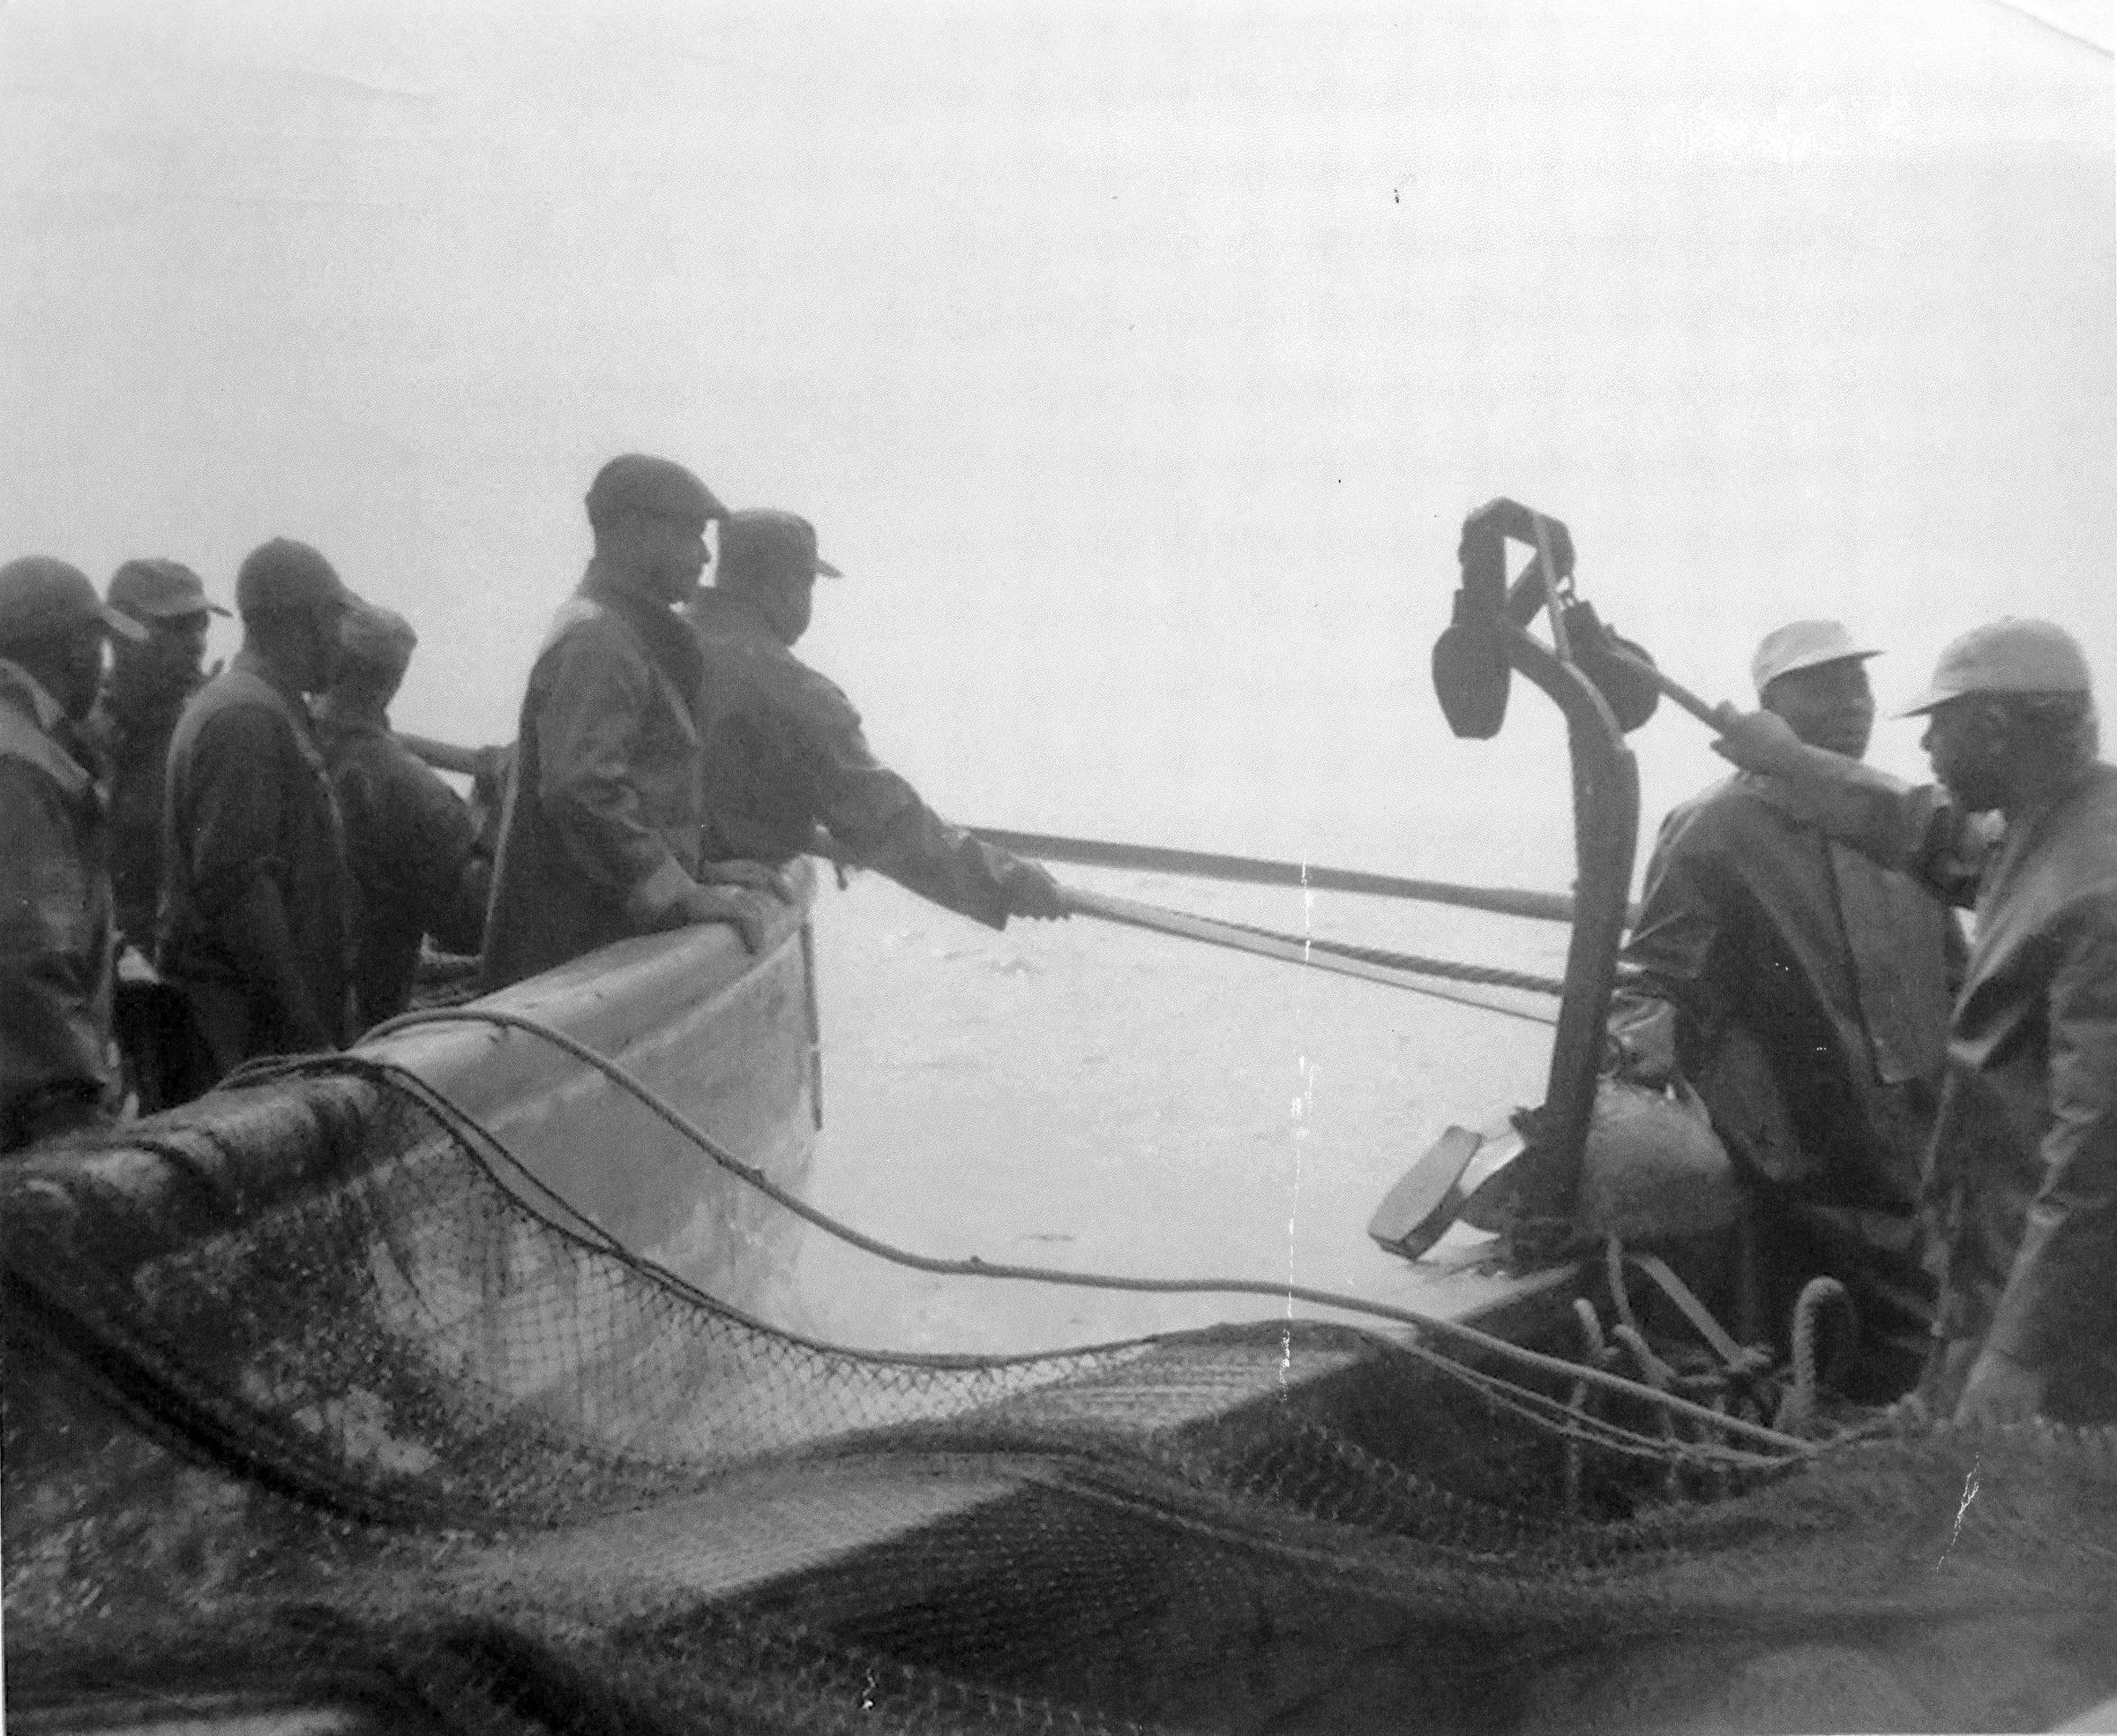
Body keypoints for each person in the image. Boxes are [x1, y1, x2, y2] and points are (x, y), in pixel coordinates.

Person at [1711, 617, 2117, 1426]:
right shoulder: (2046, 826)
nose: (1924, 744)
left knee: (2004, 1495)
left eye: (1940, 724)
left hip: (2063, 1314)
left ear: (1994, 728)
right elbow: (1918, 827)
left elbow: (2098, 1155)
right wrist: (1788, 760)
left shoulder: (2097, 892)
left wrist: (2017, 1355)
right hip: (1997, 1270)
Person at [1608, 621, 1962, 1400]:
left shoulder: (1898, 834)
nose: (1853, 704)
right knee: (1840, 1360)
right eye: (1825, 687)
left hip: (1925, 1161)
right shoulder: (1714, 828)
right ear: (1769, 708)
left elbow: (1961, 986)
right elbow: (1658, 979)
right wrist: (1631, 1058)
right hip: (1804, 1174)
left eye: (1859, 684)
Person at [687, 508, 1067, 929]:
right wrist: (1009, 881)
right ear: (782, 586)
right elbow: (885, 822)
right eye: (807, 585)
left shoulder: (667, 639)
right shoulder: (792, 692)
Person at [482, 455, 774, 990]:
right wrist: (677, 891)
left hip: (594, 948)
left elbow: (636, 786)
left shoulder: (620, 631)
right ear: (636, 533)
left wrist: (696, 870)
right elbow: (582, 789)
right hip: (568, 966)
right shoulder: (600, 641)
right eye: (690, 534)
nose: (704, 555)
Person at [160, 539, 359, 1084]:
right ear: (305, 621)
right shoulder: (247, 717)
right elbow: (240, 890)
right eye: (336, 618)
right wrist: (308, 1040)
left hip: (256, 1039)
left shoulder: (260, 707)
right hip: (252, 1047)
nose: (342, 639)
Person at [0, 557, 146, 1149]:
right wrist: (69, 1108)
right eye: (99, 643)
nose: (104, 665)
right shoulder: (23, 765)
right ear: (70, 648)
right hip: (29, 1121)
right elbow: (28, 954)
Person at [315, 602, 489, 1031]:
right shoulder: (416, 791)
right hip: (363, 1022)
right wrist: (488, 820)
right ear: (394, 681)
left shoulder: (282, 738)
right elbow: (470, 925)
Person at [86, 559, 229, 953]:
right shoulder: (74, 729)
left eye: (201, 625)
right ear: (119, 634)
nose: (198, 643)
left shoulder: (205, 738)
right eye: (176, 626)